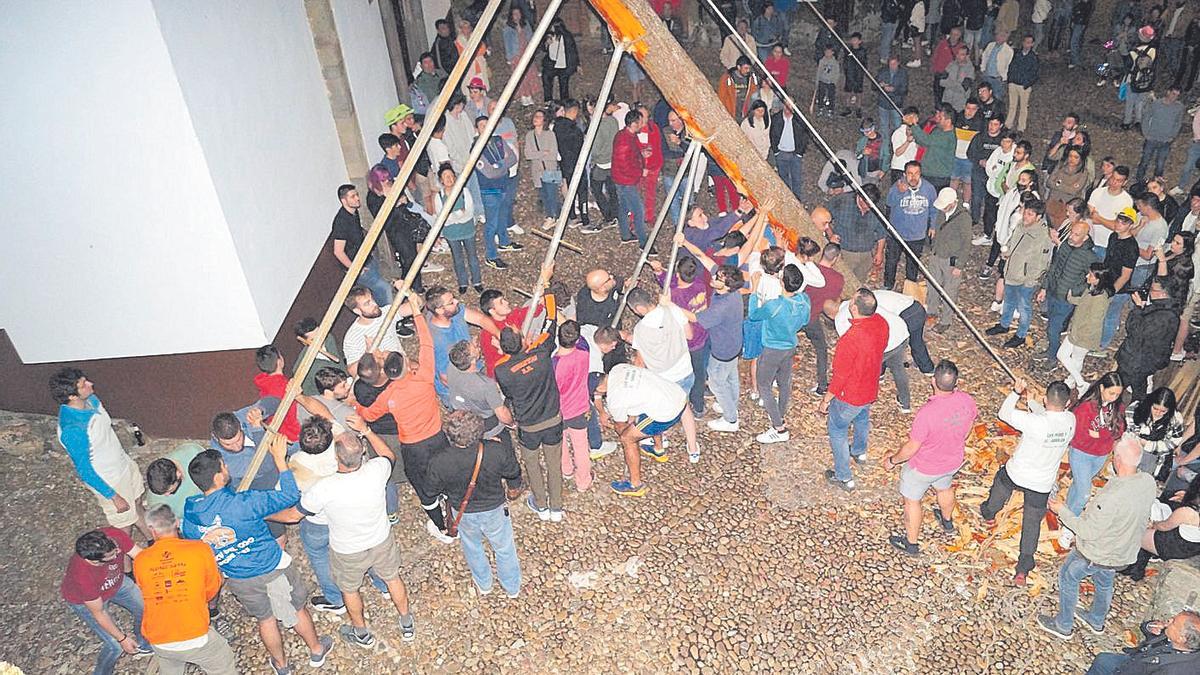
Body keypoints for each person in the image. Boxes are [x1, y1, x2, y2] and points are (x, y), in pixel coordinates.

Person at [183, 443, 332, 675]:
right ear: (218, 476)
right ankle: (316, 649)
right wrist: (280, 460)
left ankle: (282, 666)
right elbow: (290, 495)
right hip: (272, 568)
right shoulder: (245, 502)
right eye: (223, 465)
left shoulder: (191, 517)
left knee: (266, 619)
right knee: (295, 609)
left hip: (239, 577)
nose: (226, 467)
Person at [294, 426, 416, 647]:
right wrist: (368, 431)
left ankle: (361, 632)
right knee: (392, 578)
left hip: (347, 550)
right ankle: (406, 621)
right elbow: (388, 455)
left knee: (350, 590)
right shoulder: (377, 470)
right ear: (361, 454)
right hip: (380, 540)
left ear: (336, 458)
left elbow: (295, 515)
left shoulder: (324, 488)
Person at [355, 293, 456, 543]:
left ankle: (442, 528)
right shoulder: (423, 376)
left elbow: (367, 414)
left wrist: (354, 405)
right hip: (438, 437)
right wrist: (417, 312)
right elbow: (426, 344)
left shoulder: (389, 396)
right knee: (446, 473)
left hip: (414, 448)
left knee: (423, 488)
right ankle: (453, 510)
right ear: (405, 365)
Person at [1037, 436, 1157, 640]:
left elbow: (1087, 531)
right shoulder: (1148, 481)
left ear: (1117, 459)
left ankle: (1063, 624)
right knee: (1104, 582)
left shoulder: (1112, 497)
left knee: (1068, 576)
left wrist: (1061, 511)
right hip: (1123, 553)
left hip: (1097, 553)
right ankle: (1096, 619)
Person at [980, 379, 1076, 585]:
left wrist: (1016, 392)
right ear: (1067, 404)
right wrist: (1032, 404)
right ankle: (1023, 566)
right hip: (1041, 483)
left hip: (1018, 473)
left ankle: (989, 513)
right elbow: (1049, 418)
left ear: (1045, 398)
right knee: (1032, 523)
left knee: (1001, 484)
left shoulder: (1034, 423)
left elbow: (1004, 414)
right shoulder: (1070, 420)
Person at [883, 360, 979, 555]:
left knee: (912, 501)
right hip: (952, 460)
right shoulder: (966, 400)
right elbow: (968, 430)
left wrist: (893, 460)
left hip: (924, 467)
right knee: (944, 487)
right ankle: (947, 521)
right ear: (956, 383)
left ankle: (911, 544)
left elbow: (911, 447)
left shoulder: (926, 414)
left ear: (933, 382)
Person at [427, 409, 524, 596]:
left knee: (472, 547)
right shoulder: (496, 449)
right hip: (494, 508)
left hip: (462, 511)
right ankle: (512, 587)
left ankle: (484, 584)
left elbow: (431, 490)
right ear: (479, 431)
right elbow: (513, 472)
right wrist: (512, 488)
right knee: (504, 548)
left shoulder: (439, 460)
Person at [134, 505, 239, 675]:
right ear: (176, 523)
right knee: (223, 661)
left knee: (170, 665)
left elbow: (145, 590)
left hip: (158, 637)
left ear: (151, 529)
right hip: (194, 634)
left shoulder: (141, 560)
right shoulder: (200, 549)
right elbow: (212, 589)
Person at [494, 281, 565, 521]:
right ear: (524, 341)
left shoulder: (502, 370)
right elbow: (551, 322)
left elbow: (509, 395)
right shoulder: (542, 353)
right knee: (553, 463)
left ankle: (542, 505)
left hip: (529, 425)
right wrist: (548, 292)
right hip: (553, 419)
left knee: (532, 465)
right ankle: (557, 507)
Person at [52, 368, 151, 539]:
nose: (91, 384)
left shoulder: (90, 400)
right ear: (72, 396)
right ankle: (125, 565)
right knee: (123, 528)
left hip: (122, 464)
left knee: (137, 504)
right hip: (111, 479)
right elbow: (84, 470)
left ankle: (152, 541)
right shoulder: (73, 430)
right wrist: (113, 496)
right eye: (84, 384)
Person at [597, 347, 698, 496]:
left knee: (628, 438)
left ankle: (635, 484)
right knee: (645, 411)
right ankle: (658, 449)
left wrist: (612, 425)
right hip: (676, 395)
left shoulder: (614, 399)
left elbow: (621, 428)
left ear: (599, 388)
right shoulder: (618, 369)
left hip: (668, 412)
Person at [821, 289, 890, 492]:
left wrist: (826, 400)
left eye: (851, 301)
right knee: (861, 417)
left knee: (837, 429)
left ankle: (844, 476)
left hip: (849, 395)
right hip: (870, 388)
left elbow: (840, 376)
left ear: (854, 308)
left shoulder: (850, 339)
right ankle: (859, 451)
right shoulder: (881, 323)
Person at [60, 528, 153, 673]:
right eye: (113, 554)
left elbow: (140, 556)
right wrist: (122, 639)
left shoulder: (114, 537)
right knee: (114, 645)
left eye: (116, 549)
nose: (118, 552)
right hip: (85, 601)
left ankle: (144, 643)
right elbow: (100, 612)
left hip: (118, 582)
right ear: (94, 561)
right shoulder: (82, 575)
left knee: (146, 607)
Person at [1061, 374, 1127, 544]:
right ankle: (1069, 526)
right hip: (1081, 453)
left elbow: (1119, 430)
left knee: (1078, 486)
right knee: (1084, 493)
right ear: (1101, 388)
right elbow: (1081, 436)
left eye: (1118, 394)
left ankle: (1066, 512)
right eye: (1111, 393)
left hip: (1101, 455)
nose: (1115, 398)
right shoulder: (1086, 407)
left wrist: (1100, 434)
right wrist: (1105, 434)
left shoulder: (1117, 406)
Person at [749, 264, 811, 444]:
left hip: (772, 350)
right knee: (784, 383)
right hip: (790, 347)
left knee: (764, 386)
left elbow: (753, 314)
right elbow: (805, 320)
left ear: (783, 283)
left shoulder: (775, 305)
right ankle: (780, 413)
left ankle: (779, 428)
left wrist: (754, 290)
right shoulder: (804, 300)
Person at [985, 198, 1053, 350]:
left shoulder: (1042, 237)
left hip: (1025, 279)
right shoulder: (1020, 226)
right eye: (1025, 213)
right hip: (1012, 272)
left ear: (1038, 217)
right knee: (1008, 300)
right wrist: (1006, 252)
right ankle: (1004, 324)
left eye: (1030, 214)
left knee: (1024, 307)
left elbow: (1042, 263)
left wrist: (1031, 280)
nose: (1025, 216)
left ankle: (1021, 335)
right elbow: (1012, 242)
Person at [424, 285, 497, 405]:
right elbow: (446, 379)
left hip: (473, 364)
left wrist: (500, 336)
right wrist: (477, 391)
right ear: (440, 310)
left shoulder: (452, 312)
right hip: (456, 386)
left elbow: (481, 319)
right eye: (451, 302)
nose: (457, 302)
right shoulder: (440, 341)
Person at [1041, 220, 1097, 367]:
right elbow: (1054, 267)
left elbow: (1093, 280)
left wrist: (1074, 292)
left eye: (1076, 234)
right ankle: (1051, 350)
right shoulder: (1065, 245)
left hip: (1066, 299)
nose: (1072, 236)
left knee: (1054, 328)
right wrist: (1044, 287)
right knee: (1051, 326)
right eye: (1072, 232)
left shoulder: (1089, 257)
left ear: (1085, 238)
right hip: (1053, 292)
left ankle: (1053, 358)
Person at [1116, 277, 1181, 401]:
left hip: (1136, 360)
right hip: (1149, 360)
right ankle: (1139, 409)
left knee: (1117, 384)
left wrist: (1138, 308)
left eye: (1152, 289)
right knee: (1139, 385)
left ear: (1163, 293)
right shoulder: (1171, 309)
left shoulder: (1162, 317)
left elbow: (1135, 330)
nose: (1149, 291)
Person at [331, 184, 393, 308]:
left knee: (377, 291)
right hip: (358, 266)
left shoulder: (354, 212)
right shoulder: (341, 222)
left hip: (367, 260)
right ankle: (390, 316)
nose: (357, 198)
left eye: (357, 195)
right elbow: (338, 251)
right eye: (353, 196)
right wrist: (355, 268)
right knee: (384, 289)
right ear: (344, 200)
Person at [1059, 265, 1117, 393]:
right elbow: (1084, 302)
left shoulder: (1100, 298)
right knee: (1063, 355)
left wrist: (1081, 335)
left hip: (1084, 336)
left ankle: (1078, 382)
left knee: (1076, 359)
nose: (1087, 276)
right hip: (1076, 331)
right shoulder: (1093, 289)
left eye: (1090, 275)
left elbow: (1095, 321)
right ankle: (1074, 380)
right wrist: (1071, 299)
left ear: (1099, 279)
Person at [1086, 610, 1200, 674]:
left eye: (1173, 622)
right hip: (1135, 659)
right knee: (1103, 659)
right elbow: (1147, 630)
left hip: (1136, 670)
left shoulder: (1177, 670)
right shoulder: (1180, 641)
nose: (1169, 620)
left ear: (1181, 638)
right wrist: (1149, 626)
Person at [475, 116, 522, 270]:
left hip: (503, 185)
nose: (485, 127)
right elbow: (488, 172)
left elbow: (513, 158)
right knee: (491, 223)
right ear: (477, 129)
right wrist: (503, 166)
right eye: (481, 126)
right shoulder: (476, 147)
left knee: (502, 216)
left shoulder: (498, 140)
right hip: (489, 190)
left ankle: (504, 242)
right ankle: (491, 255)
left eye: (486, 124)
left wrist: (499, 165)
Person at [885, 161, 939, 288]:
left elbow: (934, 208)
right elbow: (889, 203)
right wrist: (899, 192)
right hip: (897, 234)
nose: (913, 177)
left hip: (917, 234)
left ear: (920, 174)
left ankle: (910, 287)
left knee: (913, 263)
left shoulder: (929, 189)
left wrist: (933, 225)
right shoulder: (897, 186)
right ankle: (888, 285)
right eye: (910, 174)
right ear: (904, 174)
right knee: (892, 261)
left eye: (916, 173)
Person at [926, 187, 973, 332]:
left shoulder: (964, 218)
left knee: (949, 291)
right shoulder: (942, 212)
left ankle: (945, 320)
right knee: (932, 285)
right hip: (937, 254)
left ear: (953, 203)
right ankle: (931, 312)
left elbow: (966, 243)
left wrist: (960, 265)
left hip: (952, 261)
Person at [803, 244, 846, 395]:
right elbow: (831, 303)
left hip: (795, 313)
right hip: (812, 317)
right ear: (836, 258)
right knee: (821, 348)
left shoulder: (806, 268)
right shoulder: (837, 279)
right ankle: (822, 385)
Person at [433, 165, 483, 294]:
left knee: (472, 256)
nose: (449, 179)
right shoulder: (439, 197)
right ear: (441, 180)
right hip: (452, 233)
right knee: (457, 258)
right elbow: (442, 217)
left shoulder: (464, 191)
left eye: (451, 176)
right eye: (445, 176)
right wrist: (458, 214)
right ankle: (462, 282)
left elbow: (469, 212)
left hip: (467, 230)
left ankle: (477, 281)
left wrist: (454, 216)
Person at [827, 183, 887, 283]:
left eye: (871, 206)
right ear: (860, 197)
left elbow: (882, 231)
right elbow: (823, 217)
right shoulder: (841, 202)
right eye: (866, 205)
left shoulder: (877, 207)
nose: (868, 208)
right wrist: (830, 235)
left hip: (866, 253)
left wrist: (879, 252)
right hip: (845, 252)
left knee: (858, 281)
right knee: (842, 281)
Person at [341, 285, 405, 377]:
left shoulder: (386, 313)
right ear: (357, 311)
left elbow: (417, 305)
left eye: (372, 299)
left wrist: (406, 290)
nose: (374, 304)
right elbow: (352, 371)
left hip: (403, 365)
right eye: (367, 304)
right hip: (383, 378)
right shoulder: (352, 337)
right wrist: (368, 353)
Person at [1127, 387, 1188, 478]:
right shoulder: (1135, 408)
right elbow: (1129, 429)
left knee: (1142, 479)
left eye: (1163, 411)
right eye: (1155, 408)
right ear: (1150, 403)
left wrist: (1148, 445)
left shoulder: (1176, 419)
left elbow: (1173, 443)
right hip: (1132, 448)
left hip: (1155, 455)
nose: (1158, 413)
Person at [612, 110, 648, 247]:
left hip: (621, 179)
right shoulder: (624, 141)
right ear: (634, 124)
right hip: (625, 182)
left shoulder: (626, 135)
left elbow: (630, 156)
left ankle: (626, 235)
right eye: (640, 121)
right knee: (639, 210)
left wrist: (640, 154)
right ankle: (644, 243)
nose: (642, 124)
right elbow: (624, 165)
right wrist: (639, 172)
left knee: (623, 207)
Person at [144, 442, 205, 520]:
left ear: (178, 474)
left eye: (169, 490)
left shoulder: (193, 453)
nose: (166, 495)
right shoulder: (156, 502)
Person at [1138, 87, 1187, 182]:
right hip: (1152, 137)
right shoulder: (1156, 104)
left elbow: (1178, 123)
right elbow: (1146, 117)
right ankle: (1139, 179)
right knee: (1145, 160)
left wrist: (1173, 136)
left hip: (1166, 140)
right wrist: (1146, 132)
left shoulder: (1179, 107)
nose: (1174, 97)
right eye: (1173, 94)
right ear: (1168, 92)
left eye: (1177, 95)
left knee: (1161, 162)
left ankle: (1157, 180)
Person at [913, 105, 958, 190]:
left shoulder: (948, 137)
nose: (937, 119)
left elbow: (926, 140)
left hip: (938, 177)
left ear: (948, 121)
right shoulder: (938, 131)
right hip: (928, 174)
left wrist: (914, 125)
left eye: (940, 118)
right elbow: (923, 141)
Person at [1006, 34, 1040, 133]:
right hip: (1013, 83)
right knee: (1012, 105)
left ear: (1032, 44)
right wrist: (1010, 79)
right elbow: (1011, 66)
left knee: (1023, 107)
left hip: (1024, 86)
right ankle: (1008, 124)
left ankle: (1021, 127)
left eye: (1029, 43)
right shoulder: (1016, 53)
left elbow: (1035, 73)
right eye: (1026, 42)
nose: (1027, 44)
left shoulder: (1033, 57)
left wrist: (1027, 83)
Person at [717, 56, 760, 123]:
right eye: (746, 68)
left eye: (749, 68)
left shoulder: (751, 78)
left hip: (745, 112)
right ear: (739, 67)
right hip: (731, 110)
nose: (748, 70)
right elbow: (721, 96)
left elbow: (754, 93)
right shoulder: (727, 78)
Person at [815, 46, 841, 118]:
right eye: (826, 52)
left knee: (831, 96)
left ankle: (830, 110)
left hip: (831, 82)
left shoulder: (835, 62)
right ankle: (820, 108)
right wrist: (817, 81)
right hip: (822, 81)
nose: (827, 53)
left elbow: (837, 73)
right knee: (821, 95)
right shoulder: (822, 61)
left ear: (832, 53)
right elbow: (819, 71)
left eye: (829, 52)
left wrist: (834, 81)